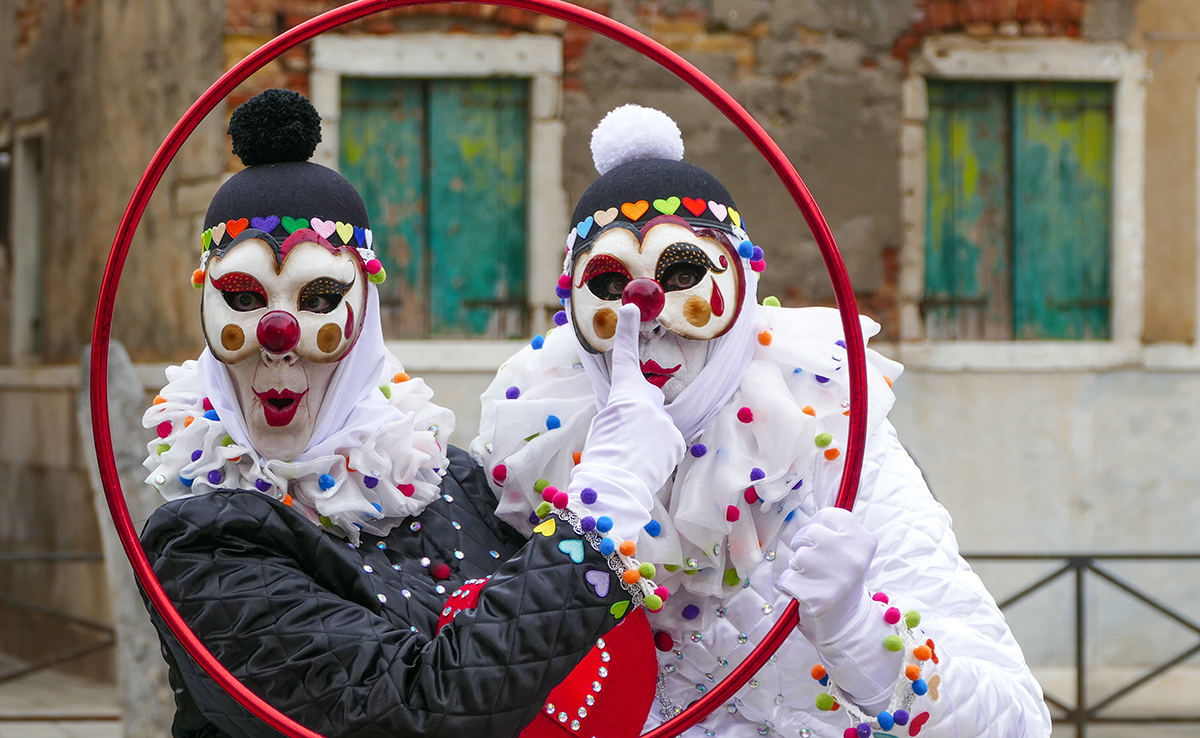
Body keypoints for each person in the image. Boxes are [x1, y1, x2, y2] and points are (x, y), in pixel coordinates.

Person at [470, 105, 1053, 738]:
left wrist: (859, 634)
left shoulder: (828, 442)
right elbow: (460, 693)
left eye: (683, 272)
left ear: (742, 285)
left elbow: (1015, 722)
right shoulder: (532, 454)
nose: (647, 310)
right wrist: (602, 494)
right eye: (610, 284)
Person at [139, 90, 670, 738]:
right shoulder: (203, 544)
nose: (277, 331)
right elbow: (407, 713)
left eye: (321, 296)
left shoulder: (450, 478)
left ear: (365, 317)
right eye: (244, 297)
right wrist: (595, 522)